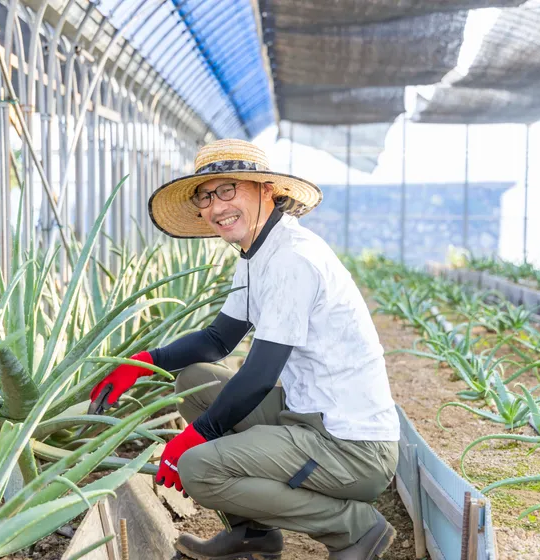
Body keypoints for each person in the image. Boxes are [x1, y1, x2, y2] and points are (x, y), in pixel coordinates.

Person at [89, 139, 400, 560]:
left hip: (351, 447)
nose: (216, 206)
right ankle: (254, 533)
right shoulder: (256, 252)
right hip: (309, 414)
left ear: (266, 190)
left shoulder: (293, 259)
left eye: (228, 189)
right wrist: (145, 363)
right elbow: (217, 341)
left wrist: (193, 438)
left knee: (200, 468)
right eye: (206, 194)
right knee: (194, 382)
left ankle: (354, 529)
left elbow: (258, 376)